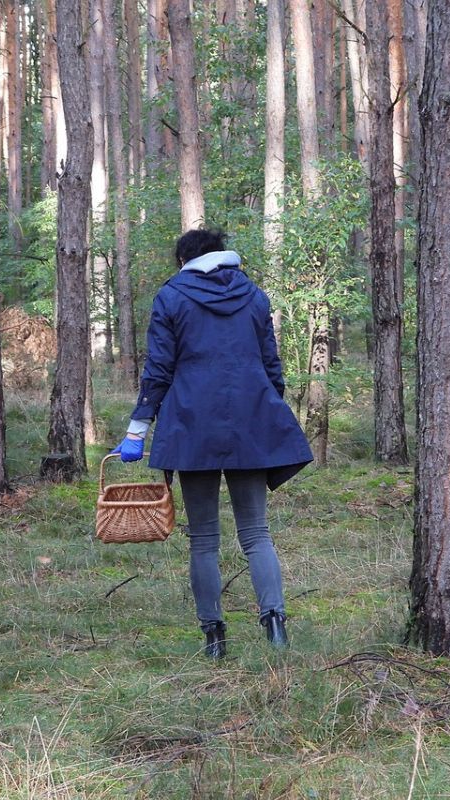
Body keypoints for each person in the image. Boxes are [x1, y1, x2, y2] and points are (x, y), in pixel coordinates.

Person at [111, 228, 313, 659]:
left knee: (204, 538)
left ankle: (214, 638)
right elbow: (272, 367)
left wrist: (137, 429)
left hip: (191, 424)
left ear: (184, 259)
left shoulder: (172, 296)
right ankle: (275, 628)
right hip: (251, 422)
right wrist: (262, 410)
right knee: (257, 533)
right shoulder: (254, 296)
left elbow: (159, 368)